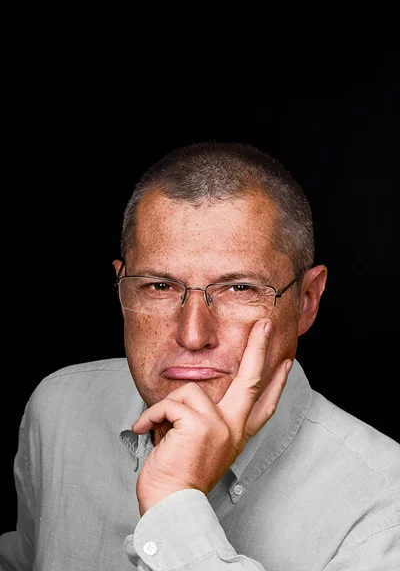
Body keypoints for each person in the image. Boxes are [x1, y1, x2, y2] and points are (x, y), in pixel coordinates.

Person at [1, 142, 399, 571]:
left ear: (306, 300)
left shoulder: (383, 506)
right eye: (159, 286)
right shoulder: (57, 408)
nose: (192, 335)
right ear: (121, 291)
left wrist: (174, 502)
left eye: (239, 288)